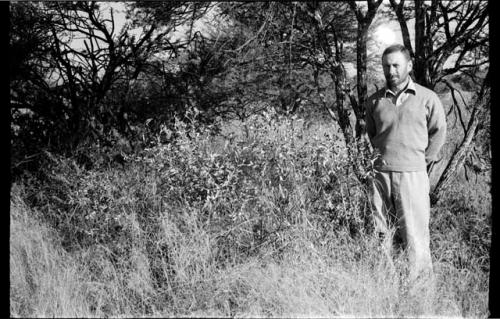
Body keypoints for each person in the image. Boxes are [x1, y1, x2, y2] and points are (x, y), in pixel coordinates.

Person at [365, 44, 447, 283]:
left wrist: (422, 161)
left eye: (395, 65)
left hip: (412, 176)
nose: (391, 71)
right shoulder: (374, 102)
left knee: (415, 237)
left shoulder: (426, 98)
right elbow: (372, 135)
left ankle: (420, 294)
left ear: (409, 66)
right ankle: (386, 287)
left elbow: (439, 132)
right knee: (381, 235)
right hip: (380, 177)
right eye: (386, 66)